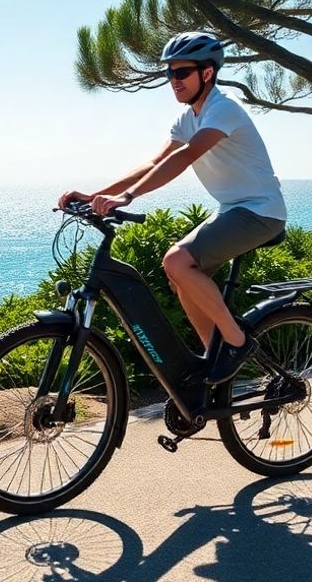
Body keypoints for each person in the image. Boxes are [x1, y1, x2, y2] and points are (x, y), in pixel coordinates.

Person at [58, 31, 288, 385]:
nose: (173, 81)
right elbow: (155, 162)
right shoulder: (187, 118)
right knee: (181, 275)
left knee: (176, 261)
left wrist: (128, 197)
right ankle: (218, 364)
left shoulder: (222, 109)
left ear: (207, 73)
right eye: (170, 73)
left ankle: (237, 345)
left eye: (182, 73)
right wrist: (94, 196)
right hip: (233, 210)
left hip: (261, 212)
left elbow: (186, 156)